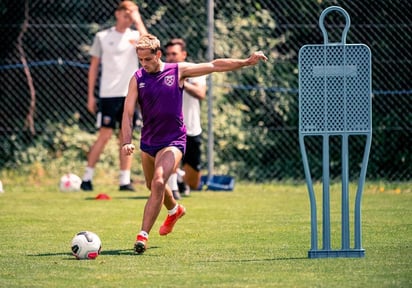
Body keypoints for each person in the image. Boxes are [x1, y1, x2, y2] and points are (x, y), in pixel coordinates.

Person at [122, 34, 267, 254]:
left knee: (160, 180)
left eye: (148, 59)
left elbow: (214, 65)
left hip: (174, 140)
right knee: (153, 186)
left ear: (158, 54)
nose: (145, 64)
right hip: (148, 141)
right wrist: (126, 141)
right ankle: (174, 211)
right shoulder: (138, 78)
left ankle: (142, 236)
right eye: (140, 60)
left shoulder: (177, 70)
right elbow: (128, 112)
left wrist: (246, 62)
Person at [80, 1, 147, 192]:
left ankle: (124, 181)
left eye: (132, 13)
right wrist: (91, 96)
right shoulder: (102, 36)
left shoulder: (136, 36)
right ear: (118, 13)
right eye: (127, 13)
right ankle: (87, 178)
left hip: (130, 94)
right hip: (108, 94)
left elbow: (150, 45)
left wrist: (138, 20)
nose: (129, 17)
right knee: (104, 135)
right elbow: (94, 67)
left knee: (125, 137)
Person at [164, 38, 207, 199]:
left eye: (174, 54)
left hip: (192, 128)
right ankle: (174, 187)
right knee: (171, 157)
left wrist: (181, 80)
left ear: (183, 55)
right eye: (168, 54)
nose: (171, 57)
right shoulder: (161, 72)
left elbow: (200, 94)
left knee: (194, 182)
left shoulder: (194, 71)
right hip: (171, 127)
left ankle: (181, 179)